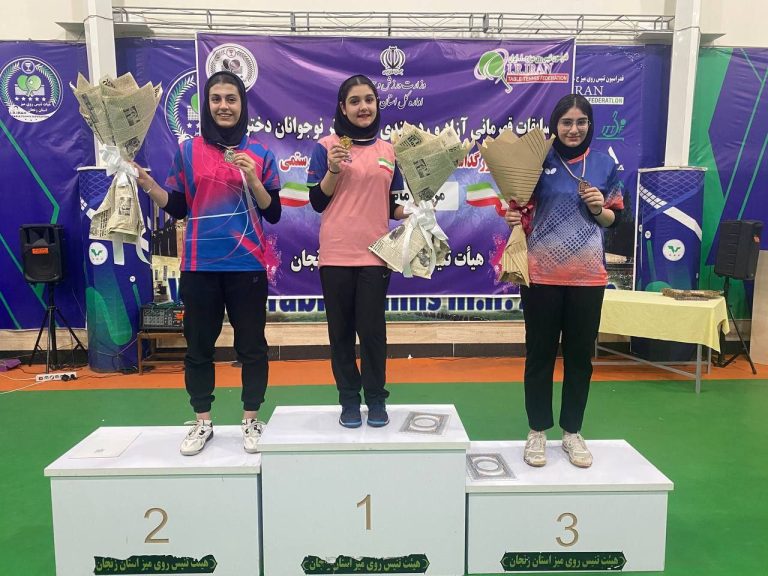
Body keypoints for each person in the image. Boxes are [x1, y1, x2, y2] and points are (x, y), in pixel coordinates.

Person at [134, 70, 281, 455]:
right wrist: (148, 185)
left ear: (242, 104)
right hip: (200, 267)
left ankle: (251, 419)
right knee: (198, 347)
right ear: (206, 105)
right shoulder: (187, 151)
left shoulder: (261, 154)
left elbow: (274, 212)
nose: (223, 106)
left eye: (231, 99)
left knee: (252, 347)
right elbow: (178, 206)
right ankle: (202, 422)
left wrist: (254, 180)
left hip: (247, 267)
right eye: (216, 99)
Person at [505, 94, 625, 468]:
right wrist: (513, 217)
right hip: (541, 275)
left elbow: (615, 220)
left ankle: (572, 432)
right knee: (539, 355)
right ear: (555, 125)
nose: (574, 129)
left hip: (588, 278)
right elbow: (520, 208)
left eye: (581, 122)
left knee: (579, 359)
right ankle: (537, 431)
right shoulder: (537, 162)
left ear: (590, 125)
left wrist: (599, 208)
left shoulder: (604, 164)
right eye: (566, 122)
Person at [307, 74, 405, 428]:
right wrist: (333, 169)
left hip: (376, 255)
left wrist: (415, 212)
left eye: (369, 100)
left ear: (377, 105)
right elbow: (317, 201)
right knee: (341, 335)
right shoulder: (326, 146)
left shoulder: (389, 151)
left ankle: (376, 400)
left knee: (373, 333)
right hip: (335, 256)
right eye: (355, 101)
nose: (363, 107)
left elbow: (392, 205)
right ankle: (349, 401)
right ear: (342, 107)